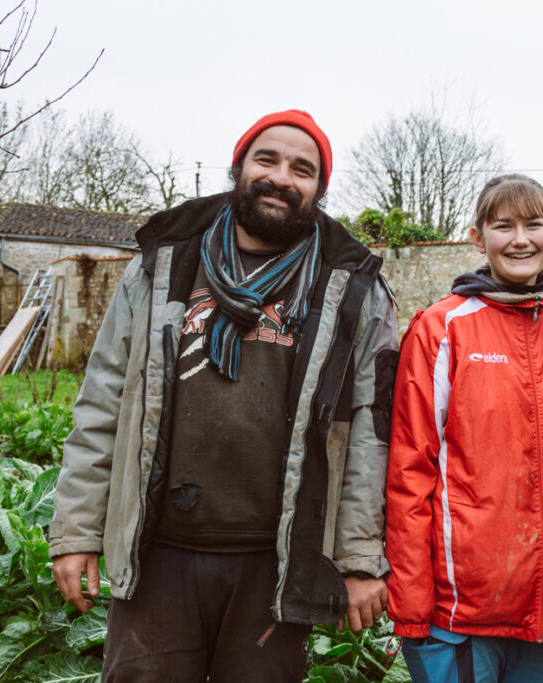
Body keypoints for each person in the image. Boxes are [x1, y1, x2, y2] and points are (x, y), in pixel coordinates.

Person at [49, 110, 399, 681]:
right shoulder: (162, 265)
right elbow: (102, 402)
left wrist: (359, 557)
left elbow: (369, 432)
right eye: (267, 159)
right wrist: (76, 532)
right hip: (157, 548)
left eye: (301, 169)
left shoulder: (352, 288)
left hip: (275, 561)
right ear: (239, 168)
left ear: (318, 189)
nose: (282, 177)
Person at [385, 174, 543, 681]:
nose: (520, 238)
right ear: (477, 237)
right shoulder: (442, 330)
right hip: (460, 613)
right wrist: (413, 602)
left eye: (533, 224)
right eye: (503, 226)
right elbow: (408, 472)